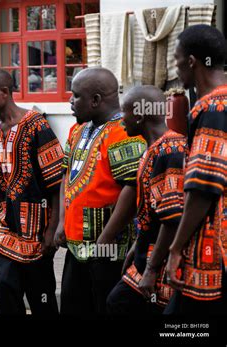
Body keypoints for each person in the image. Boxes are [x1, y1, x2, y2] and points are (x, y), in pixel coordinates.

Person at [54, 67, 146, 314]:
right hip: (76, 244)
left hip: (109, 248)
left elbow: (132, 186)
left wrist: (106, 237)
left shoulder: (124, 133)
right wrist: (62, 221)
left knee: (105, 306)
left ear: (95, 100)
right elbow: (66, 175)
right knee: (74, 305)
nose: (70, 102)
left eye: (76, 96)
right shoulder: (78, 130)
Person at [0, 68, 64, 314]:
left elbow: (57, 182)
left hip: (38, 228)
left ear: (4, 92)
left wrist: (53, 227)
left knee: (41, 295)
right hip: (6, 227)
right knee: (6, 288)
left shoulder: (37, 126)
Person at [106, 86, 187, 314]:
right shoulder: (154, 149)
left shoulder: (172, 150)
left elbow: (172, 218)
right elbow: (152, 210)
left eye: (125, 112)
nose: (121, 120)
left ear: (140, 116)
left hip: (160, 261)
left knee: (120, 303)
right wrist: (136, 246)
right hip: (147, 253)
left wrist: (151, 269)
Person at [165, 25, 227, 314]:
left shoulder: (213, 108)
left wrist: (175, 249)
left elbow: (204, 187)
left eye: (176, 60)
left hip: (211, 251)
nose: (176, 69)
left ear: (191, 61)